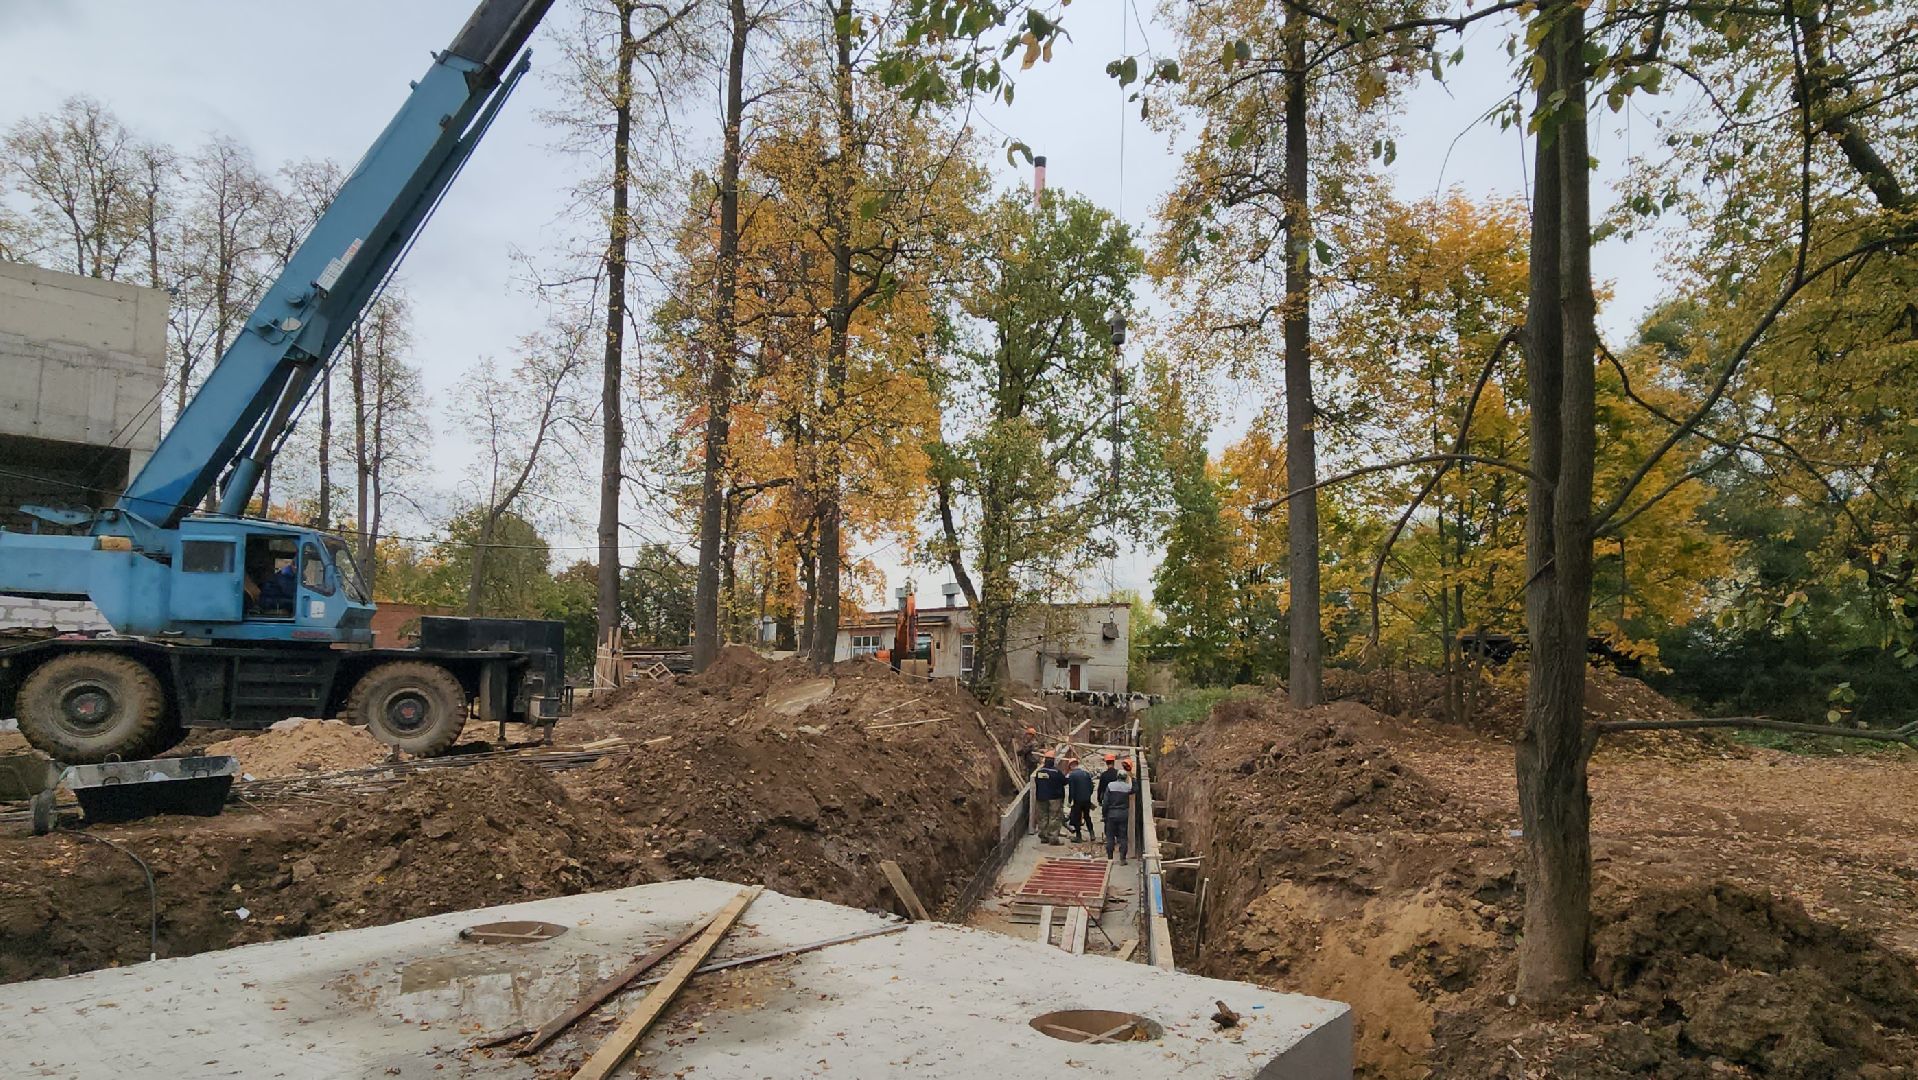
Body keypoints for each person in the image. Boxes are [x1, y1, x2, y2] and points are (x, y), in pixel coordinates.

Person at [1102, 765, 1135, 864]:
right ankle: (1122, 859)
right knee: (1123, 837)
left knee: (1110, 836)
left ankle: (1110, 858)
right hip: (1123, 815)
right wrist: (1133, 777)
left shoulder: (1110, 786)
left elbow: (1105, 802)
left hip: (1111, 814)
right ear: (1125, 778)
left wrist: (1104, 814)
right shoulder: (1127, 787)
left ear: (1117, 776)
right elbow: (1136, 788)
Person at [1033, 754, 1068, 845]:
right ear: (1053, 762)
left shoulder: (1039, 772)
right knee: (1054, 817)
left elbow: (1037, 782)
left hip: (1041, 797)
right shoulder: (1056, 772)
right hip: (1054, 798)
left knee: (1042, 817)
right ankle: (1053, 839)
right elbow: (1064, 781)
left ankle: (1043, 837)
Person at [1065, 757, 1096, 842]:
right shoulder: (1086, 773)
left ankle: (1078, 836)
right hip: (1086, 799)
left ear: (1071, 766)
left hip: (1078, 800)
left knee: (1077, 818)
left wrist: (1070, 801)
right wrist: (1088, 795)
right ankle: (1092, 833)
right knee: (1087, 816)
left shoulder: (1072, 775)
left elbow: (1072, 789)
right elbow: (1091, 786)